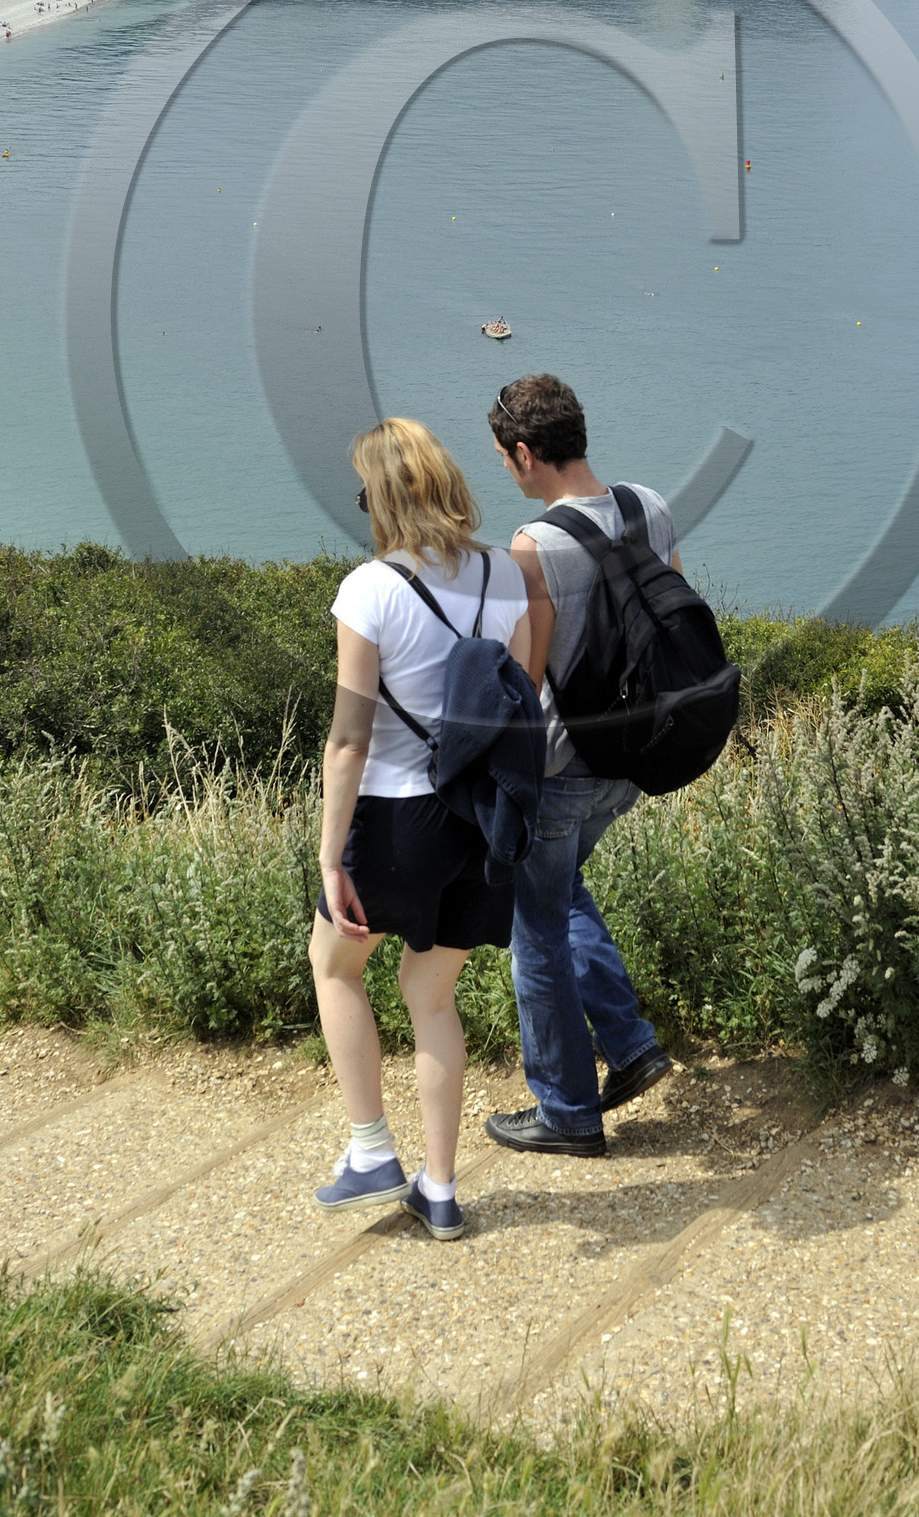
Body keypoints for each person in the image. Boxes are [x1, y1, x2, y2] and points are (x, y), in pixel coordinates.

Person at [310, 415, 530, 1239]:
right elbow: (523, 702)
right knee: (430, 993)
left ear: (381, 497)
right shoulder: (507, 577)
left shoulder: (368, 589)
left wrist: (332, 856)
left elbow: (349, 738)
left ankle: (371, 1149)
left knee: (335, 964)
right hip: (482, 822)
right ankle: (439, 1188)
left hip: (396, 817)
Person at [485, 374, 674, 1155]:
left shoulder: (534, 547)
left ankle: (565, 1109)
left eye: (503, 457)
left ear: (525, 453)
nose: (506, 468)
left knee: (535, 928)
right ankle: (629, 1045)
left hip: (565, 767)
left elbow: (524, 682)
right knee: (562, 895)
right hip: (634, 757)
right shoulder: (649, 505)